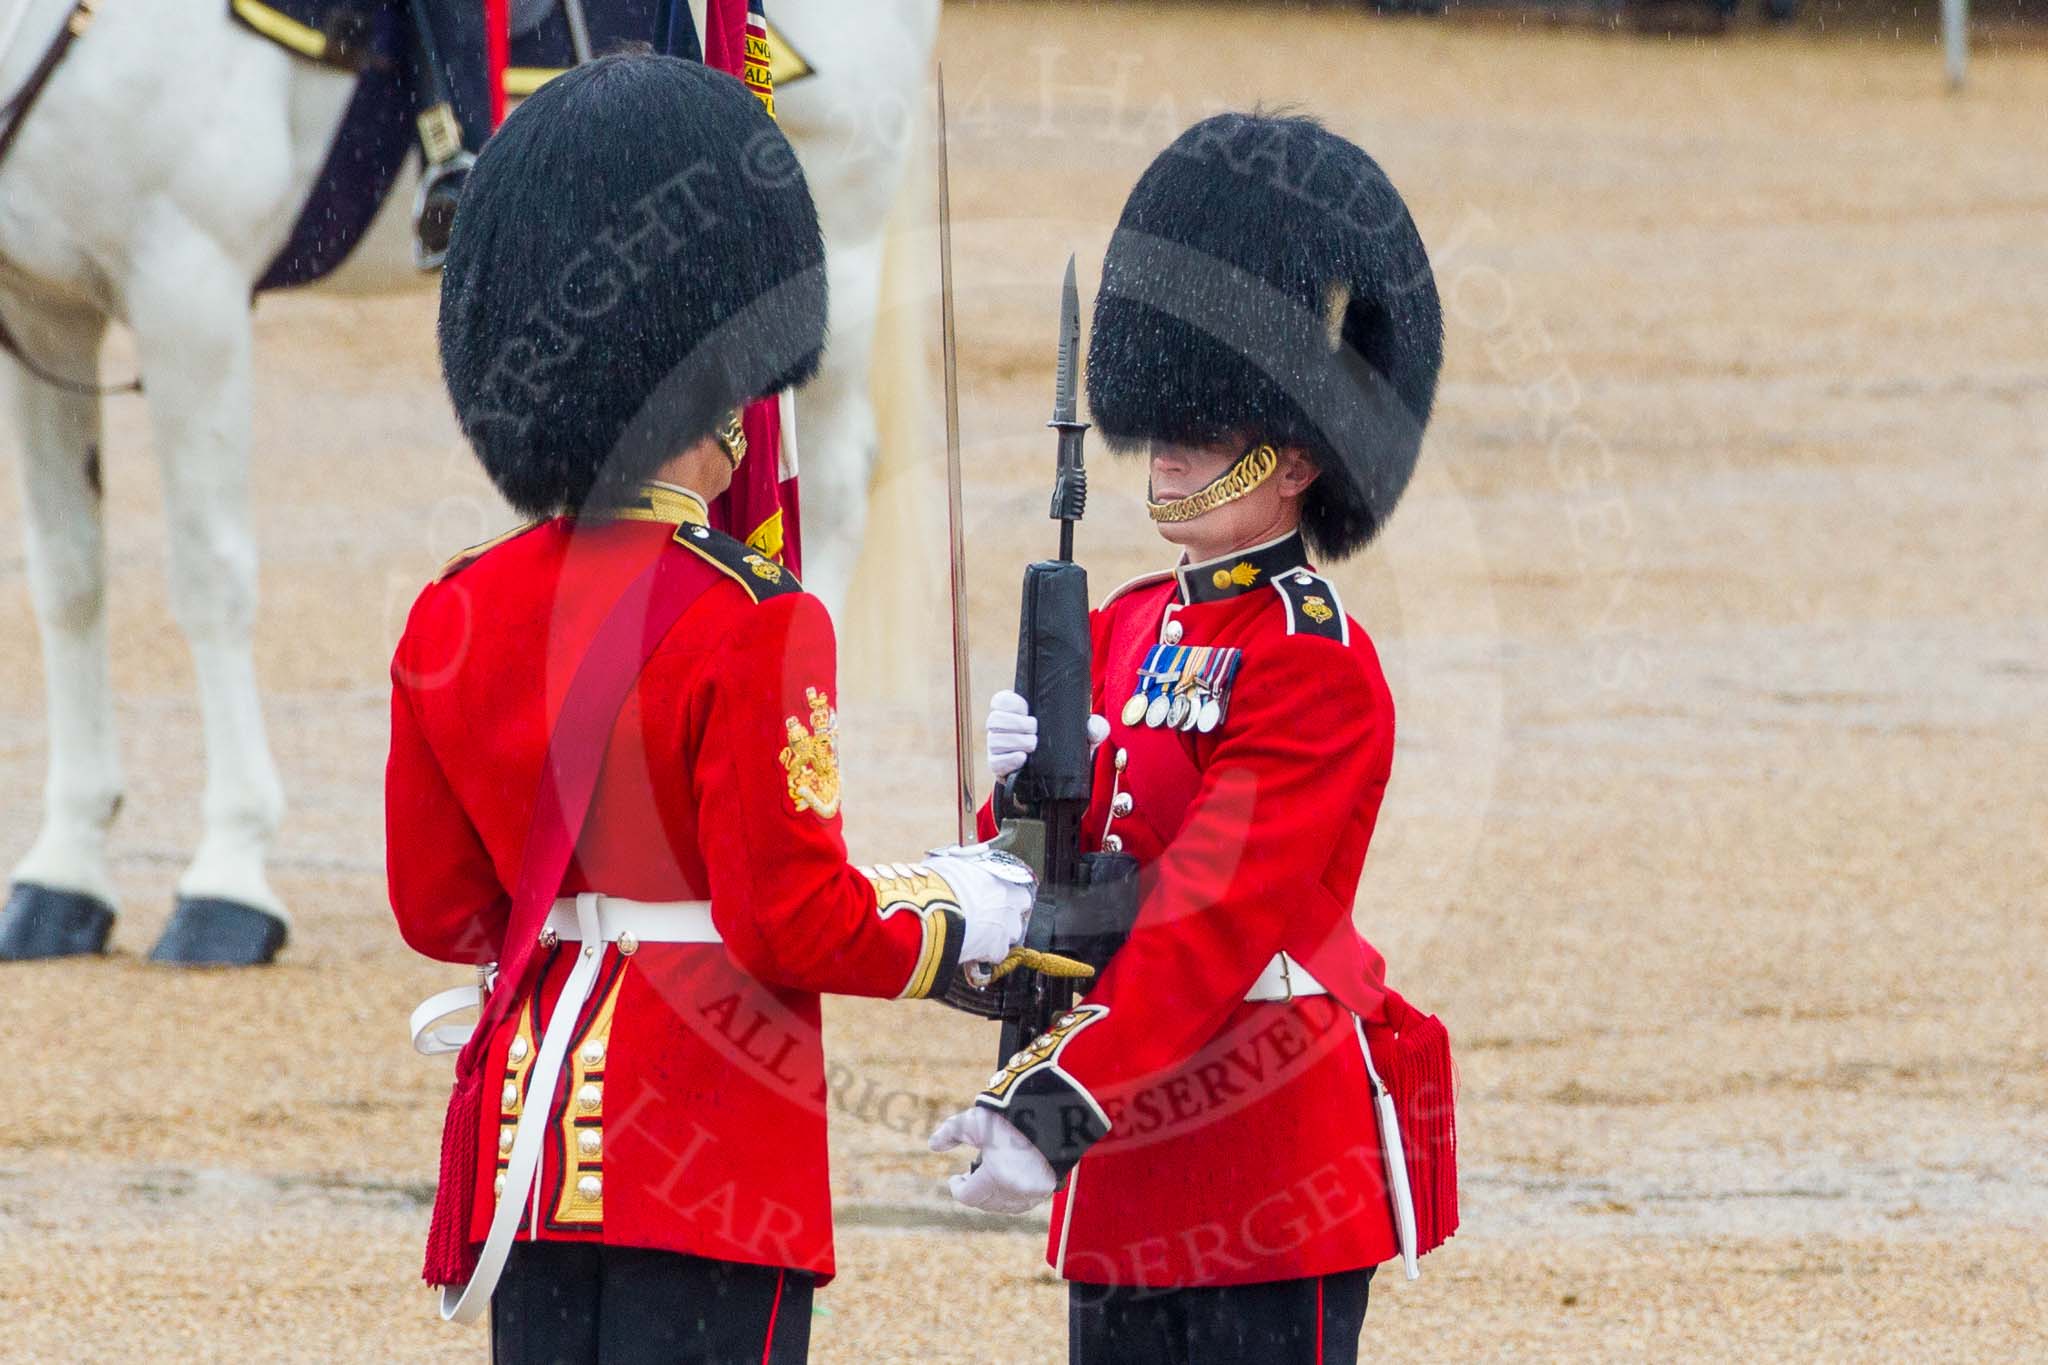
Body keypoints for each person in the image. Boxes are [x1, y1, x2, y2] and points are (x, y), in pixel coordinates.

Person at [386, 55, 1032, 1362]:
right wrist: (964, 910)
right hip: (712, 1140)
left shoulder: (458, 608)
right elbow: (789, 918)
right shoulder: (751, 614)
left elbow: (439, 909)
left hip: (531, 1144)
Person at [928, 112, 1453, 1363]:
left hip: (1262, 1159)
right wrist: (1012, 802)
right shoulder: (1117, 625)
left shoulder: (1312, 662)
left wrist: (1050, 1104)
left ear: (1295, 461)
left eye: (1206, 428)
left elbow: (1213, 909)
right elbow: (1074, 872)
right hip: (1127, 1150)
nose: (1164, 447)